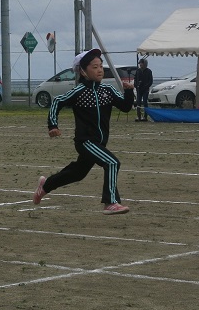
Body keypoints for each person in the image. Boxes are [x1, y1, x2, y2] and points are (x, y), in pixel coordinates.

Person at [33, 48, 135, 215]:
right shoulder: (79, 92)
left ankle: (45, 186)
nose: (100, 69)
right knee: (112, 162)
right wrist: (53, 125)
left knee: (77, 173)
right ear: (82, 71)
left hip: (99, 142)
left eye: (100, 66)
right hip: (86, 141)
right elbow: (57, 101)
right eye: (94, 67)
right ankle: (111, 202)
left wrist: (129, 91)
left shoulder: (107, 91)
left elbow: (125, 107)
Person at [132, 57, 153, 122]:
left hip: (145, 89)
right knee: (138, 102)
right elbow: (135, 79)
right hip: (139, 89)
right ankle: (139, 116)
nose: (140, 65)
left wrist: (146, 86)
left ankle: (145, 116)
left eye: (141, 63)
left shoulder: (149, 71)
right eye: (140, 63)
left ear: (145, 64)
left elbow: (150, 81)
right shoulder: (138, 71)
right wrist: (136, 85)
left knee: (145, 102)